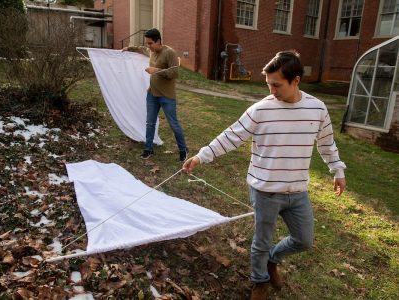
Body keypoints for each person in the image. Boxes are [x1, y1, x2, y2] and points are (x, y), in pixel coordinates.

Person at [182, 50, 346, 300]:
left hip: (297, 191)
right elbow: (231, 136)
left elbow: (326, 144)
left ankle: (273, 259)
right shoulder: (260, 110)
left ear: (296, 80)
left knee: (304, 240)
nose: (272, 91)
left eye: (277, 85)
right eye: (269, 85)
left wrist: (337, 170)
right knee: (261, 241)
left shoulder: (317, 108)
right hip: (265, 190)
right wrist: (200, 156)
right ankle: (259, 281)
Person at [123, 28, 188, 161]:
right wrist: (129, 48)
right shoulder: (151, 51)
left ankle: (183, 150)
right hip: (152, 94)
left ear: (158, 41)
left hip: (167, 96)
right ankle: (148, 149)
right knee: (150, 123)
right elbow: (141, 49)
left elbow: (174, 73)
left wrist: (156, 70)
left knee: (173, 124)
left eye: (150, 43)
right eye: (147, 43)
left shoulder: (170, 53)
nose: (148, 46)